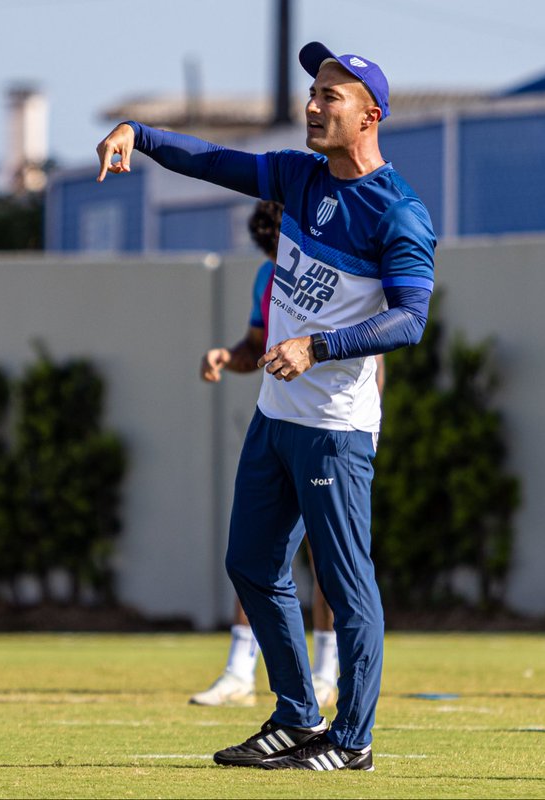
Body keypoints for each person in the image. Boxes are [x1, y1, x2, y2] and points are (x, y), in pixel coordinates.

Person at [96, 41, 434, 772]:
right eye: (312, 92)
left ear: (370, 115)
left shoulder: (399, 213)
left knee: (345, 588)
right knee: (250, 564)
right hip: (275, 417)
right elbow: (217, 161)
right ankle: (294, 716)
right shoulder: (296, 176)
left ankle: (353, 742)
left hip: (335, 431)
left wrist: (318, 345)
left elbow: (410, 320)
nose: (312, 106)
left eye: (330, 97)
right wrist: (141, 135)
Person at [190, 200, 341, 711]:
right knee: (257, 552)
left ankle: (327, 670)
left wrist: (367, 429)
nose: (278, 258)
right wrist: (226, 357)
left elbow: (371, 351)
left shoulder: (336, 264)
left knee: (328, 555)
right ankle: (239, 671)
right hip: (278, 424)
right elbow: (256, 344)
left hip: (330, 431)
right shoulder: (265, 277)